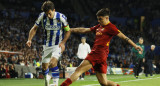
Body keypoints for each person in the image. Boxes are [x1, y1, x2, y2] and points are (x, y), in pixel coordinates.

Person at [60, 8, 143, 86]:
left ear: (107, 18)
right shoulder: (99, 26)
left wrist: (135, 45)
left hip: (98, 53)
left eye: (100, 19)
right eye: (98, 19)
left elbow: (124, 37)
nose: (98, 21)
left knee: (78, 70)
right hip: (101, 56)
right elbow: (85, 30)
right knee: (104, 83)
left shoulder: (111, 27)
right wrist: (71, 30)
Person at [26, 1, 71, 86]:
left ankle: (55, 84)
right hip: (46, 45)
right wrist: (29, 39)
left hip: (57, 45)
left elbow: (68, 31)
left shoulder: (61, 17)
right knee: (44, 67)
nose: (48, 16)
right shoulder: (42, 16)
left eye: (50, 13)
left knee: (53, 63)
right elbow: (34, 28)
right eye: (47, 14)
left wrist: (63, 42)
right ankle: (46, 80)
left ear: (54, 10)